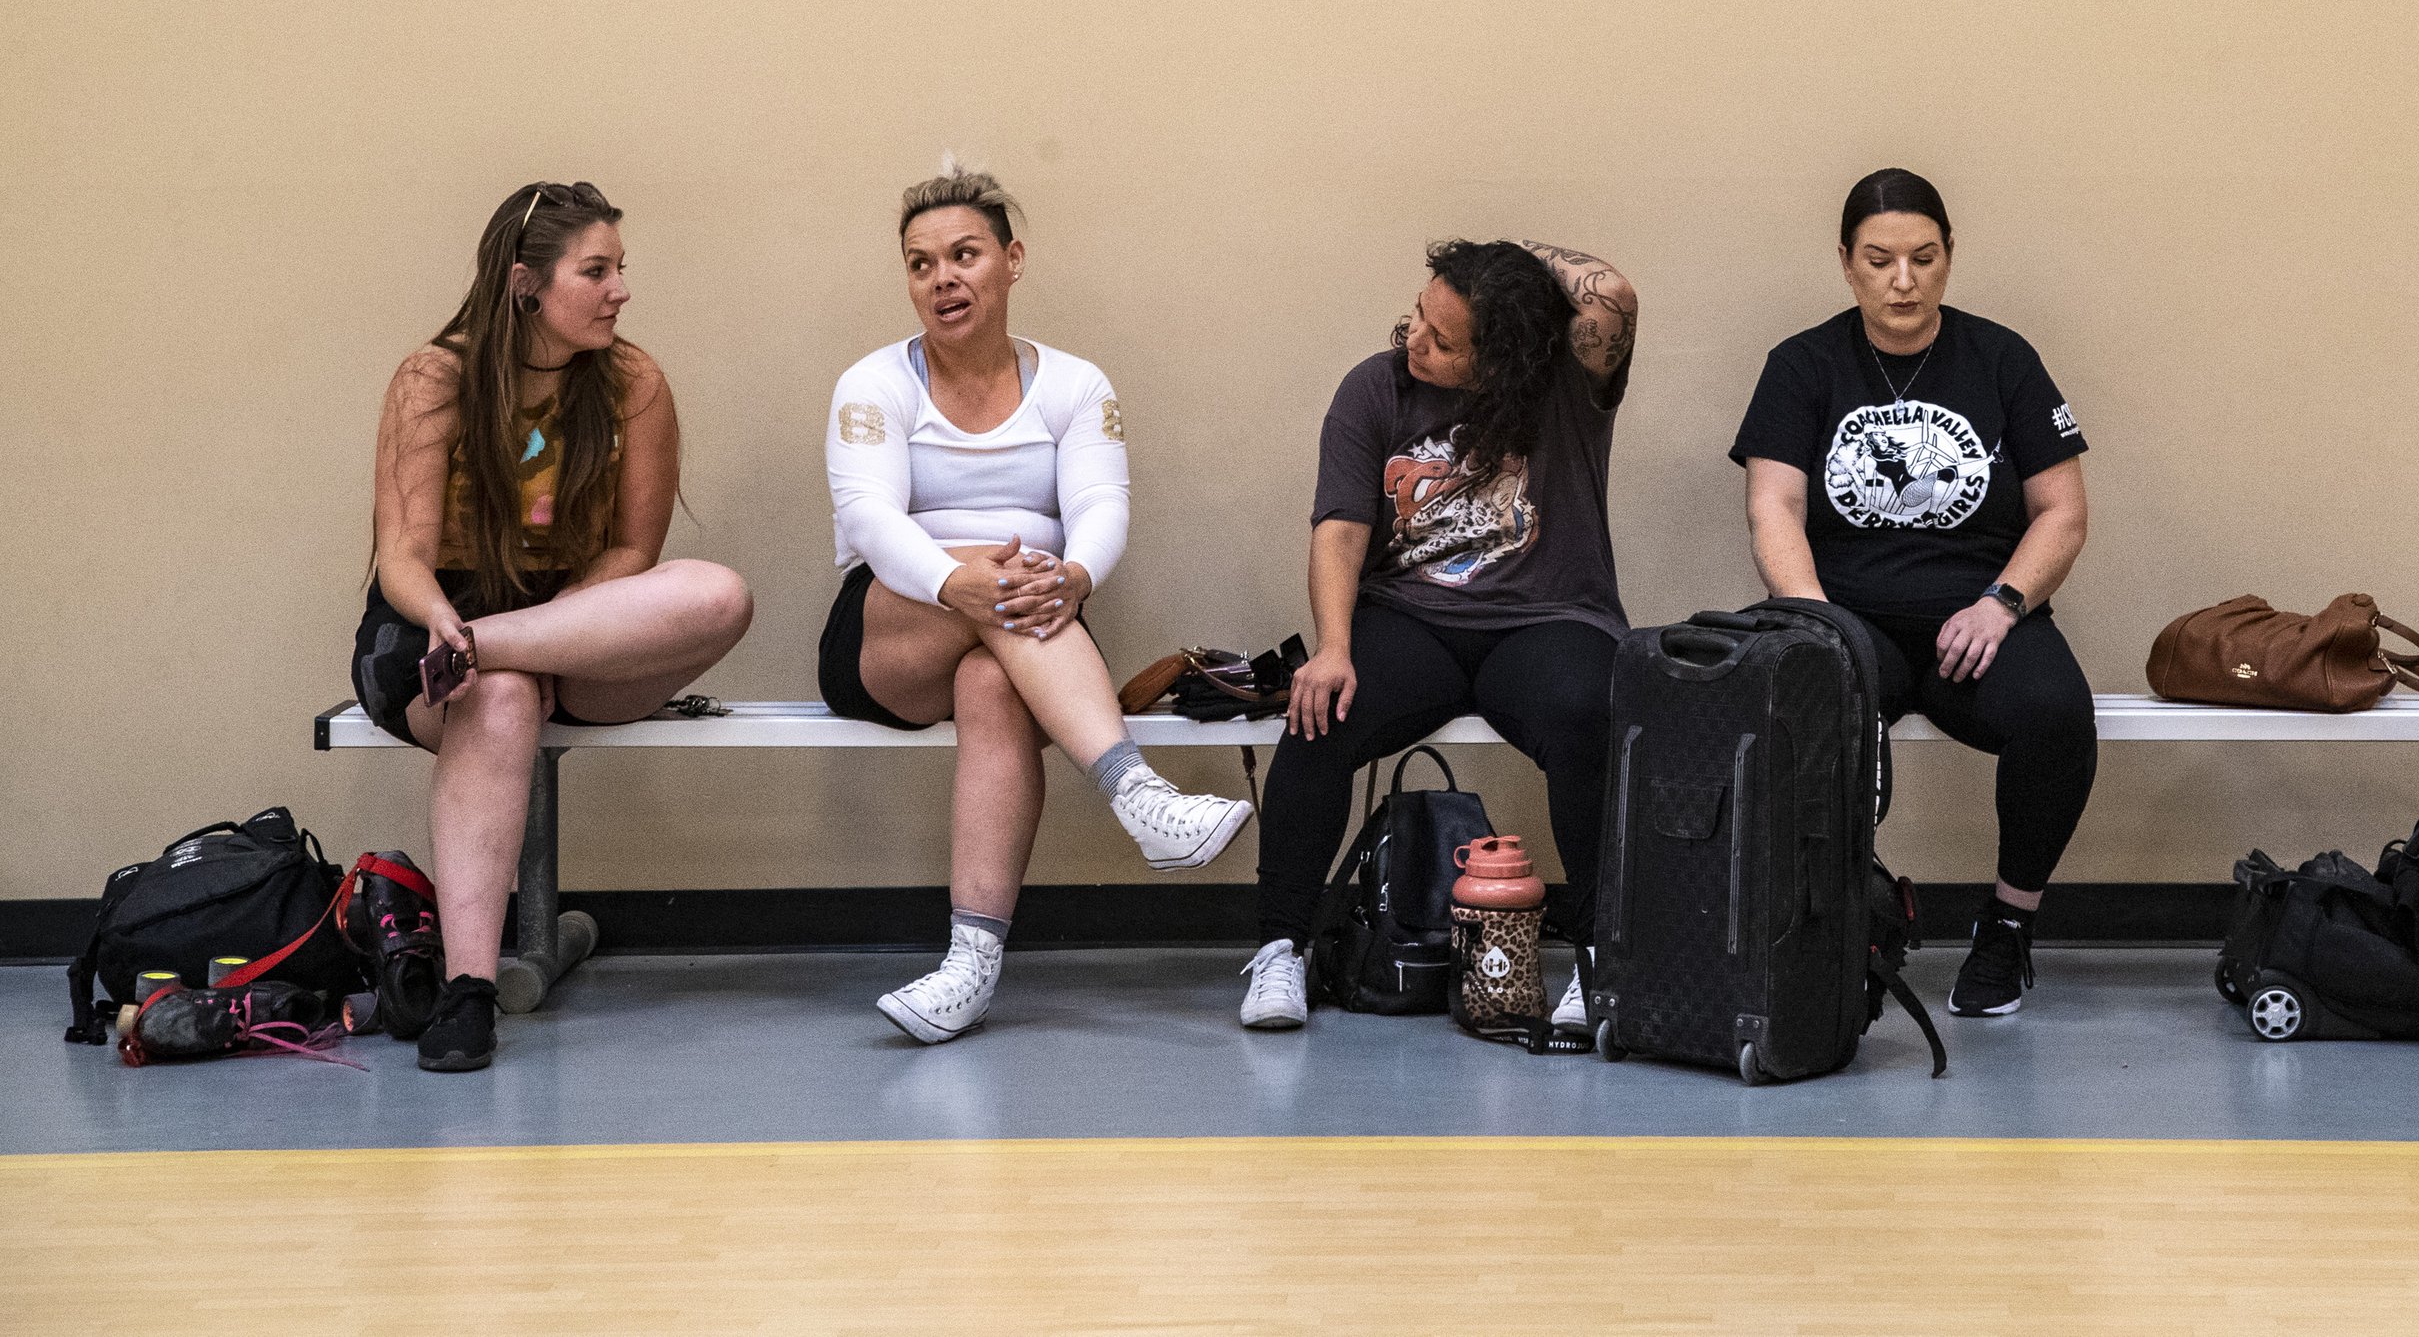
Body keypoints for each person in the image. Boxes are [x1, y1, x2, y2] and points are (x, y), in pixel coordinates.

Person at [822, 166, 1253, 1044]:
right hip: (892, 627)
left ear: (1012, 262)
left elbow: (1103, 508)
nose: (942, 277)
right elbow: (869, 519)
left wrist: (1078, 575)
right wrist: (962, 579)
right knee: (997, 583)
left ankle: (969, 971)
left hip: (1031, 618)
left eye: (964, 255)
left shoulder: (1075, 384)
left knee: (991, 682)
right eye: (920, 263)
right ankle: (1136, 794)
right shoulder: (872, 384)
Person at [356, 181, 755, 1071]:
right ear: (524, 283)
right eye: (597, 271)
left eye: (621, 270)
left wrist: (527, 634)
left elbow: (632, 552)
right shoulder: (436, 377)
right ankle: (469, 994)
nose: (620, 290)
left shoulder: (633, 382)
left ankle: (491, 653)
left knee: (721, 594)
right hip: (433, 628)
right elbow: (403, 558)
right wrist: (446, 623)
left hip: (567, 628)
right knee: (498, 701)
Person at [1240, 237, 1638, 1033]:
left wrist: (1512, 266)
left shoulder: (1565, 386)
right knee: (1321, 712)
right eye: (1418, 315)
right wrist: (1334, 646)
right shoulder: (1374, 387)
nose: (1413, 338)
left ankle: (1602, 959)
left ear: (1502, 363)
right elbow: (1341, 528)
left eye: (1443, 339)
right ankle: (1281, 946)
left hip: (1547, 620)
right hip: (1411, 620)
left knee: (1588, 713)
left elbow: (1614, 295)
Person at [1731, 167, 2093, 1017]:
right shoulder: (1802, 363)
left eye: (1924, 258)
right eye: (1881, 259)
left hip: (1979, 619)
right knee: (1774, 704)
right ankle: (1831, 926)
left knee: (2058, 718)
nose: (1904, 280)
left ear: (1949, 258)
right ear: (1848, 264)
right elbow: (1772, 506)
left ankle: (2006, 927)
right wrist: (1815, 621)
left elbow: (2062, 514)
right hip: (1849, 617)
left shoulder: (2004, 359)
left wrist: (2003, 604)